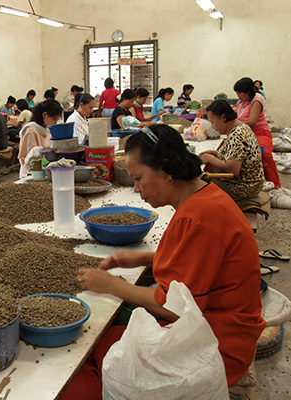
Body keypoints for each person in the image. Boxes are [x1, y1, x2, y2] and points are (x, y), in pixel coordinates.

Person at [61, 125, 265, 399]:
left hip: (218, 345)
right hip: (220, 326)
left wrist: (110, 285)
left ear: (167, 171)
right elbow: (200, 260)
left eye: (138, 179)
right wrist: (144, 257)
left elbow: (174, 308)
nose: (136, 189)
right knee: (106, 336)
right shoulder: (206, 197)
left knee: (85, 352)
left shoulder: (198, 217)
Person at [200, 100, 264, 200]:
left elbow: (232, 169)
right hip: (251, 184)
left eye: (213, 122)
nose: (213, 126)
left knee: (197, 184)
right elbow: (237, 156)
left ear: (223, 117)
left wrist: (209, 159)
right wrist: (215, 153)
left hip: (242, 187)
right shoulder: (242, 127)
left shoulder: (237, 135)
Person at [234, 77, 281, 189]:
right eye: (237, 92)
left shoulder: (256, 100)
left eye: (240, 92)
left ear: (248, 92)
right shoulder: (241, 103)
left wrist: (233, 124)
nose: (238, 95)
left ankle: (275, 186)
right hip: (246, 133)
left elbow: (252, 121)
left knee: (264, 154)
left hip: (260, 132)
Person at [18, 99, 62, 179]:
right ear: (44, 115)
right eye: (54, 119)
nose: (55, 123)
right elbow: (30, 159)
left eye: (57, 120)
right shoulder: (31, 131)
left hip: (43, 170)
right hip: (31, 173)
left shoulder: (46, 129)